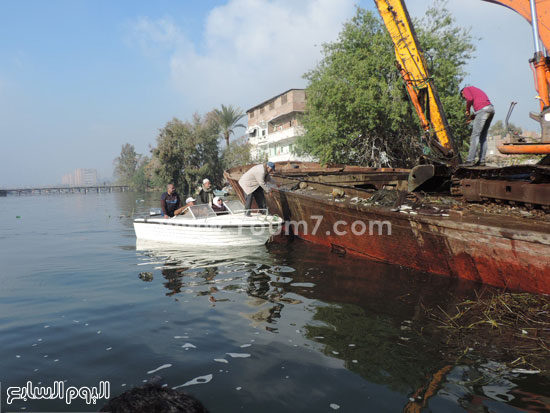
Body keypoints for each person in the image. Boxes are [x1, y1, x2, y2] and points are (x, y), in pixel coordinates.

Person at [461, 86, 495, 166]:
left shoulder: (466, 89)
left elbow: (469, 99)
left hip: (483, 110)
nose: (465, 98)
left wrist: (467, 110)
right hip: (490, 109)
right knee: (483, 136)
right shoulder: (475, 90)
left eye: (463, 97)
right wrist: (472, 117)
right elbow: (480, 108)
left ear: (462, 93)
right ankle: (481, 161)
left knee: (475, 136)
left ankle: (470, 160)